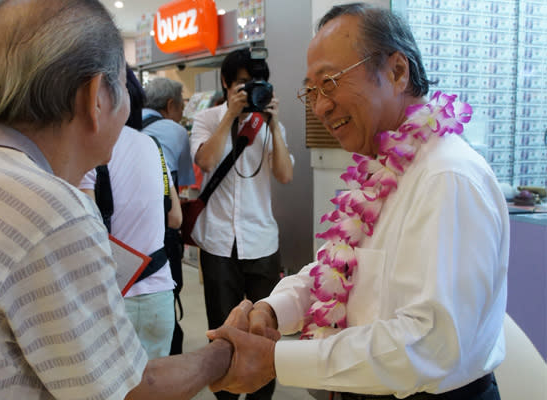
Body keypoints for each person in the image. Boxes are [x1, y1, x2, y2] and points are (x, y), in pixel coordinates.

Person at [0, 1, 236, 398]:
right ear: (95, 97)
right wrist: (225, 354)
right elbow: (129, 390)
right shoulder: (55, 213)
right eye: (122, 86)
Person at [207, 3, 509, 400]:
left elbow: (430, 345)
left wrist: (276, 360)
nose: (320, 106)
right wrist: (272, 310)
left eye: (330, 82)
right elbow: (340, 271)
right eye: (311, 91)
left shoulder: (446, 177)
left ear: (397, 71)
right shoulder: (381, 169)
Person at [190, 47, 294, 400]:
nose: (251, 91)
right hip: (218, 241)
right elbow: (205, 161)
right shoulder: (207, 119)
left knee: (265, 330)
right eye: (243, 85)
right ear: (226, 83)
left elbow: (285, 174)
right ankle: (227, 395)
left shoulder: (267, 123)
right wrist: (229, 118)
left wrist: (274, 126)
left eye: (257, 84)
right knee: (222, 331)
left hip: (262, 241)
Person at [80, 66, 182, 360]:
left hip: (112, 299)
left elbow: (85, 228)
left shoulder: (91, 149)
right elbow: (175, 218)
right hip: (160, 297)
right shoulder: (152, 145)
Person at [141, 76, 196, 355]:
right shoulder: (174, 132)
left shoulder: (121, 127)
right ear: (171, 104)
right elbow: (185, 179)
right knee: (167, 296)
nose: (183, 113)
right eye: (182, 106)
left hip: (123, 230)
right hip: (162, 230)